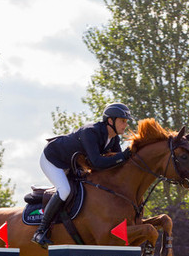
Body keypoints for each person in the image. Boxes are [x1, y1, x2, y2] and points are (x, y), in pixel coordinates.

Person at [31, 103, 135, 247]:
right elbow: (97, 162)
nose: (125, 124)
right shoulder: (90, 132)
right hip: (53, 159)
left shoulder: (114, 139)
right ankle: (40, 231)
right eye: (122, 120)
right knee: (65, 190)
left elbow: (115, 164)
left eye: (126, 121)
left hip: (73, 165)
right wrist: (122, 156)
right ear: (110, 121)